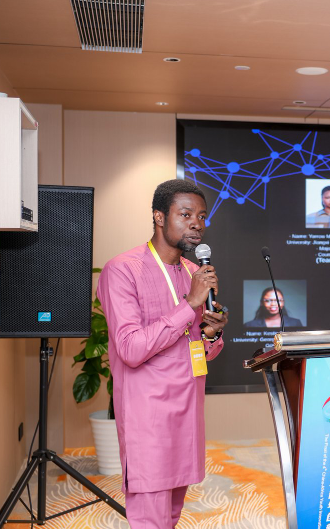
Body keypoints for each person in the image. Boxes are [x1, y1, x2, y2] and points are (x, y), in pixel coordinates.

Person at [97, 179, 229, 528]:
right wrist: (189, 305)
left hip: (187, 411)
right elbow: (130, 348)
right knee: (150, 519)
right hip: (149, 416)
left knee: (170, 516)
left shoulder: (193, 272)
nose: (196, 224)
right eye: (186, 214)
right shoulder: (122, 269)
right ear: (159, 217)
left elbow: (197, 348)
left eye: (202, 216)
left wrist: (211, 332)